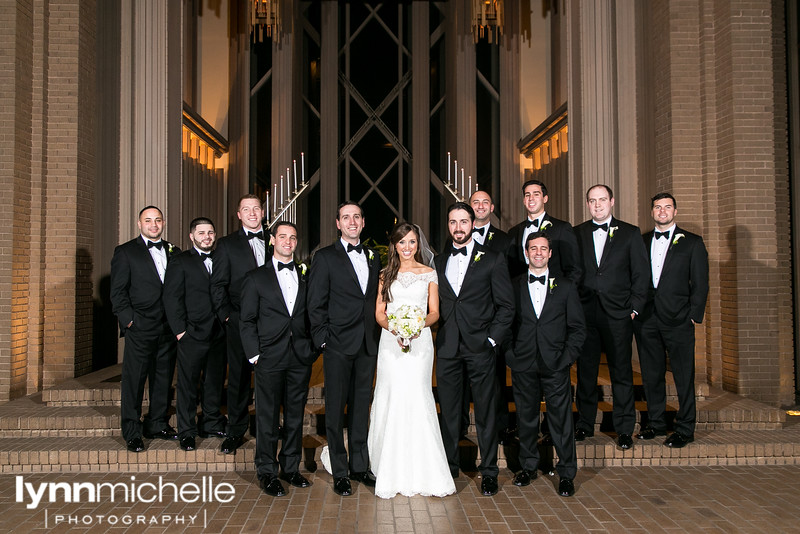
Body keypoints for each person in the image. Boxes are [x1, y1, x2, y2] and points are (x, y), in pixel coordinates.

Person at [368, 222, 456, 499]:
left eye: (412, 242)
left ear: (419, 245)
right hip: (390, 344)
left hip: (419, 342)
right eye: (402, 242)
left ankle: (424, 468)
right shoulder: (385, 275)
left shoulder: (429, 273)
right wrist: (395, 327)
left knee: (418, 396)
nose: (407, 247)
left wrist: (416, 326)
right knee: (390, 396)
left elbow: (435, 312)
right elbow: (380, 313)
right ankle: (387, 466)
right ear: (394, 245)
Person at [434, 202, 514, 497]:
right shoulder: (439, 262)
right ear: (448, 226)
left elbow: (506, 306)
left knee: (485, 412)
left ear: (473, 223)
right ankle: (449, 468)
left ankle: (489, 471)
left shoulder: (492, 258)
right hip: (448, 348)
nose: (458, 227)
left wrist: (491, 340)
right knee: (450, 412)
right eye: (453, 222)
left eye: (463, 222)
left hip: (480, 347)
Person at [307, 201, 381, 497]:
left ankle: (360, 467)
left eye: (357, 217)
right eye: (346, 217)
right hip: (337, 344)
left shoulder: (374, 257)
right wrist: (324, 339)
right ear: (338, 223)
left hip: (367, 343)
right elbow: (315, 303)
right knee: (336, 410)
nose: (352, 222)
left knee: (361, 408)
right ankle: (340, 471)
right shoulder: (324, 257)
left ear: (363, 223)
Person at [239, 222, 318, 496]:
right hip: (269, 357)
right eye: (282, 236)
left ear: (297, 242)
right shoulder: (255, 277)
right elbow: (246, 320)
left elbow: (312, 314)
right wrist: (255, 355)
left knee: (295, 416)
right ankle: (267, 471)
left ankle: (291, 468)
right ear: (272, 240)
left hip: (299, 356)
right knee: (267, 417)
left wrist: (314, 347)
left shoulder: (307, 274)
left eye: (293, 237)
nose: (288, 241)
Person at [507, 232, 585, 497]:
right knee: (526, 418)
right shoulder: (513, 284)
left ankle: (566, 473)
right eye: (533, 248)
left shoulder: (565, 286)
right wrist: (510, 354)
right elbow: (506, 323)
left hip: (555, 363)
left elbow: (577, 328)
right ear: (525, 253)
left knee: (561, 420)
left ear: (550, 253)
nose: (538, 252)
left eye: (543, 248)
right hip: (523, 362)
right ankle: (528, 467)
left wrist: (566, 358)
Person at [573, 185, 649, 450]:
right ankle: (584, 424)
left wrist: (635, 308)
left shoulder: (629, 233)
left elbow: (641, 274)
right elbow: (572, 272)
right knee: (585, 373)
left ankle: (624, 428)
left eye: (602, 200)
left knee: (621, 372)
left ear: (612, 201)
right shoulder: (577, 233)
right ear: (587, 204)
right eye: (592, 201)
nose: (597, 205)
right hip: (585, 313)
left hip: (618, 314)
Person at [634, 193, 709, 448]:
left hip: (678, 319)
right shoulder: (641, 242)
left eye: (667, 207)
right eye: (657, 207)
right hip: (646, 319)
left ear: (675, 211)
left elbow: (700, 283)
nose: (662, 211)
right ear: (652, 211)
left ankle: (685, 428)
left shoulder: (692, 243)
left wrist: (692, 316)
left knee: (683, 375)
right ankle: (656, 423)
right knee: (651, 374)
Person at [110, 206, 180, 452]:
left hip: (167, 328)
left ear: (163, 223)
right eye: (148, 220)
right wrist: (130, 321)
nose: (153, 224)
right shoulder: (126, 252)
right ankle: (132, 431)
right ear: (139, 224)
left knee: (162, 378)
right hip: (140, 326)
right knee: (134, 381)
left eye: (158, 220)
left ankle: (157, 423)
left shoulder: (174, 252)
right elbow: (117, 293)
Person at [163, 217, 227, 452]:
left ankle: (211, 423)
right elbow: (172, 298)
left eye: (210, 232)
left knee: (214, 382)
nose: (207, 237)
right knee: (188, 385)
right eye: (201, 233)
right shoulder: (180, 261)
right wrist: (180, 331)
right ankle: (187, 431)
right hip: (191, 333)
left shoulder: (221, 259)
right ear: (192, 236)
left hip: (218, 332)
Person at [210, 194, 267, 454]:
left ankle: (269, 430)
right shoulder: (226, 244)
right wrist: (227, 317)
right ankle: (235, 430)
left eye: (256, 208)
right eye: (247, 209)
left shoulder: (276, 239)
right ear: (239, 214)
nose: (252, 213)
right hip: (239, 322)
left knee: (271, 376)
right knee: (239, 378)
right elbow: (218, 285)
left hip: (272, 323)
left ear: (262, 212)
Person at [507, 180, 582, 283]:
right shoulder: (513, 232)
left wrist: (565, 295)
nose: (531, 198)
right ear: (524, 200)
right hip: (522, 295)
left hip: (555, 294)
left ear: (545, 199)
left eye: (536, 194)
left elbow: (574, 269)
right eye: (527, 195)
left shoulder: (562, 228)